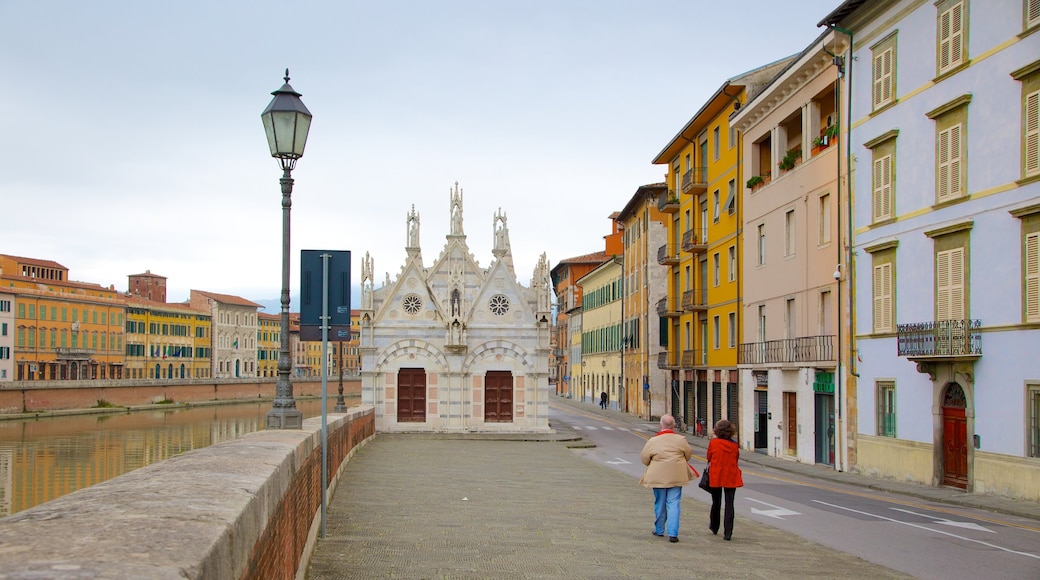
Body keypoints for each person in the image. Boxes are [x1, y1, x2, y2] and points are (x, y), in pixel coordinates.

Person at [638, 414, 694, 543]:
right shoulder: (681, 439)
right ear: (674, 426)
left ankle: (659, 529)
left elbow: (644, 459)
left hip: (658, 476)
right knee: (674, 503)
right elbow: (688, 454)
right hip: (676, 475)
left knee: (660, 502)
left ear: (660, 425)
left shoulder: (653, 441)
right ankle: (673, 533)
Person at [706, 419, 743, 541]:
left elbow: (709, 457)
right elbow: (736, 458)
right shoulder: (734, 445)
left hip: (716, 475)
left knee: (716, 502)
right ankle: (728, 532)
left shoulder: (714, 443)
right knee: (729, 504)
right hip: (731, 475)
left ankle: (714, 526)